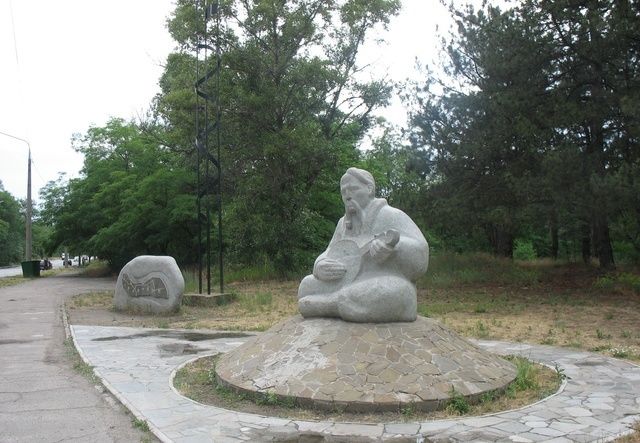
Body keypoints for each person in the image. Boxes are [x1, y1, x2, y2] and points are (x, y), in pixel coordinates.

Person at [298, 167, 429, 322]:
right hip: (347, 281)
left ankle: (328, 304)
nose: (347, 195)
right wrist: (320, 265)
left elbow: (422, 252)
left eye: (353, 189)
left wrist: (394, 249)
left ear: (369, 189)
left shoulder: (391, 215)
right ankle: (336, 303)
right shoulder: (343, 224)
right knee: (306, 285)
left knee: (393, 292)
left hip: (381, 281)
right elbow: (328, 251)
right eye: (343, 191)